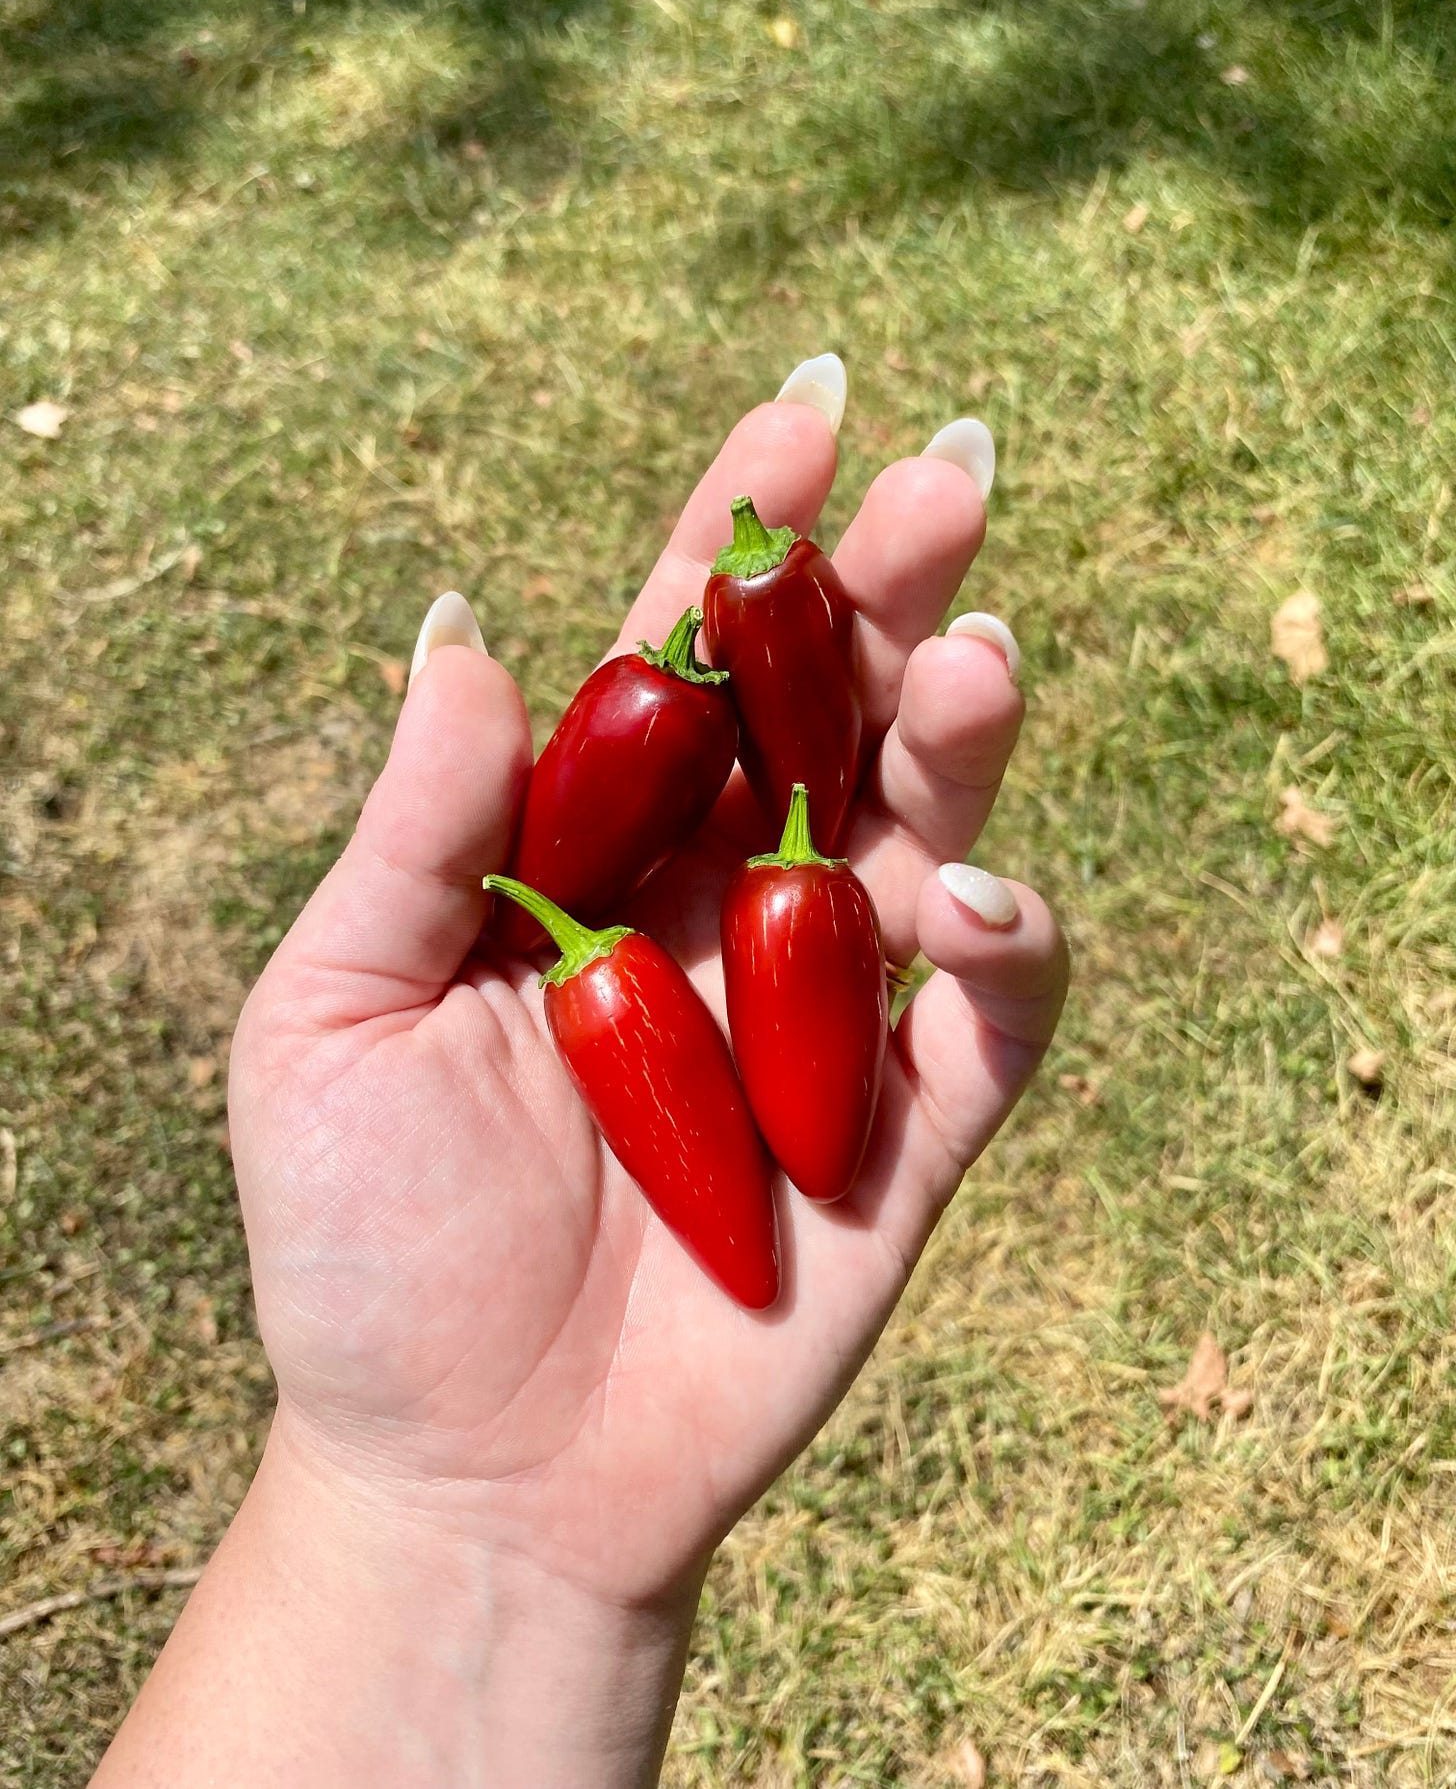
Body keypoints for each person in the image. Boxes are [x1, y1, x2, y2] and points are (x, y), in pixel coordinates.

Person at [91, 358, 1068, 1788]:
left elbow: (806, 790)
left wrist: (447, 1526)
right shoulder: (643, 931)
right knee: (724, 886)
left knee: (772, 864)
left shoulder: (710, 888)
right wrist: (444, 1506)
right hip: (634, 963)